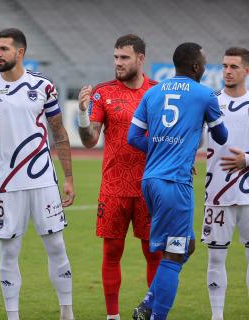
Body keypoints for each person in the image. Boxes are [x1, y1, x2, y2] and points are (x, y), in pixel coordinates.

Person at [0, 28, 75, 320]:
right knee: (8, 251)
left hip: (42, 179)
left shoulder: (43, 86)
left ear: (20, 52)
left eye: (4, 49)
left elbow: (59, 133)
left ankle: (67, 311)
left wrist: (68, 177)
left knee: (56, 245)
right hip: (4, 182)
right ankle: (12, 315)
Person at [128, 42, 228, 320]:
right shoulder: (205, 94)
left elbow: (133, 138)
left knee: (187, 245)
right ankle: (154, 316)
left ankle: (148, 303)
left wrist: (164, 150)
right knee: (173, 253)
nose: (206, 67)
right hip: (174, 184)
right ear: (196, 66)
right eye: (204, 63)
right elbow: (222, 137)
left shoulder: (152, 92)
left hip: (151, 180)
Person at [76, 34, 161, 320]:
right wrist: (83, 116)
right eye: (115, 57)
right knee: (112, 251)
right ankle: (112, 316)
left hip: (150, 186)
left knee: (153, 253)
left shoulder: (158, 92)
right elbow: (90, 140)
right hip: (114, 186)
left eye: (124, 57)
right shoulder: (103, 92)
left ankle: (154, 313)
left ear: (140, 58)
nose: (118, 63)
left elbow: (169, 138)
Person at [201, 47, 249, 320]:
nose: (227, 71)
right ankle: (216, 316)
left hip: (248, 196)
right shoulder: (210, 103)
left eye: (233, 66)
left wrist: (247, 159)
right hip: (216, 193)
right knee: (216, 258)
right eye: (224, 66)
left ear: (246, 71)